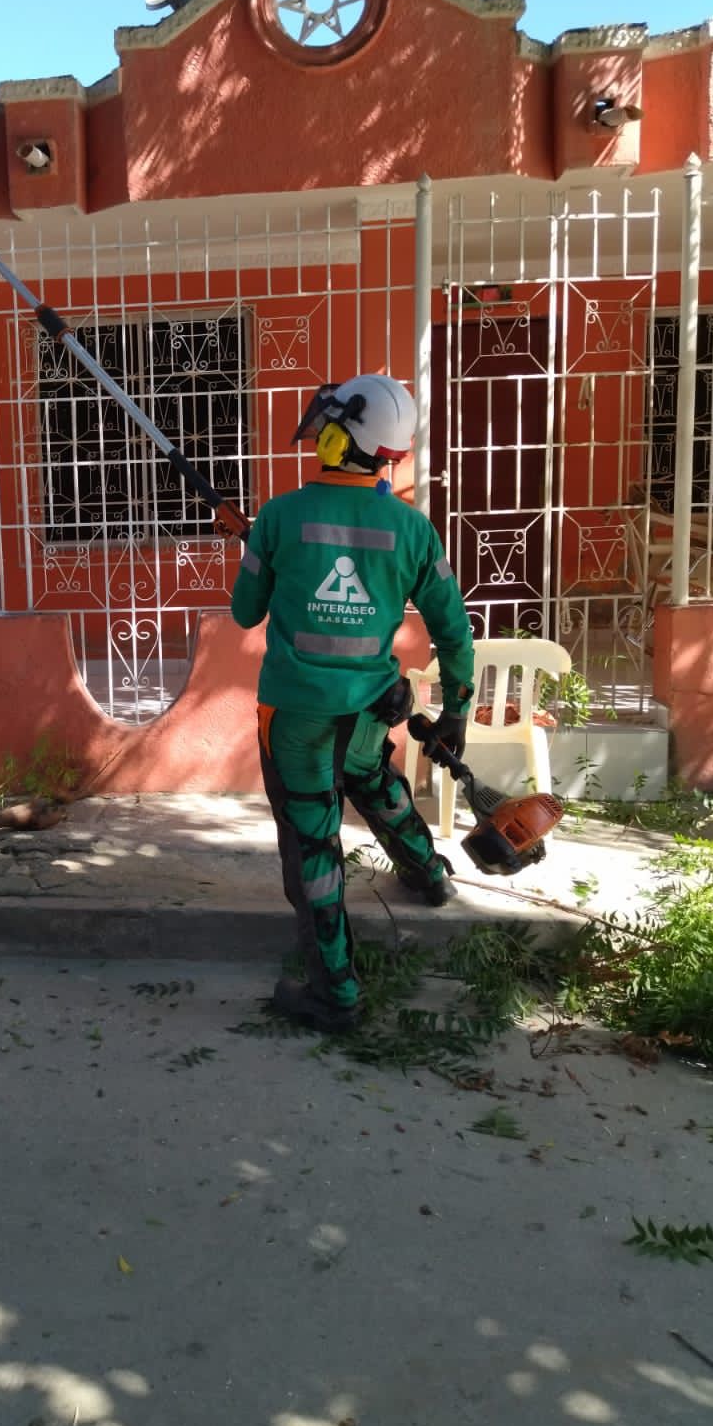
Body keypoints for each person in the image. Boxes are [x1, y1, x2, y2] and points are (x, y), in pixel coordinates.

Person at [230, 374, 475, 1033]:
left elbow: (244, 613)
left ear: (338, 438)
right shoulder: (414, 529)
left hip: (295, 715)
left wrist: (260, 554)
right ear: (390, 455)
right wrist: (456, 708)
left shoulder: (280, 517)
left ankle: (335, 992)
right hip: (372, 704)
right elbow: (454, 627)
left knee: (313, 838)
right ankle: (430, 875)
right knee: (372, 778)